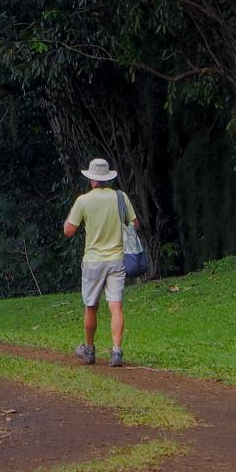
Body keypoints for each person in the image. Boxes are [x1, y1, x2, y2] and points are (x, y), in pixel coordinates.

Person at [62, 157, 141, 368]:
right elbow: (135, 224)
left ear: (92, 180)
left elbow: (68, 231)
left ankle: (89, 349)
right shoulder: (120, 197)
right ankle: (116, 351)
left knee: (91, 306)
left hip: (93, 261)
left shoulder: (84, 201)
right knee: (116, 306)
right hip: (116, 259)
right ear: (107, 179)